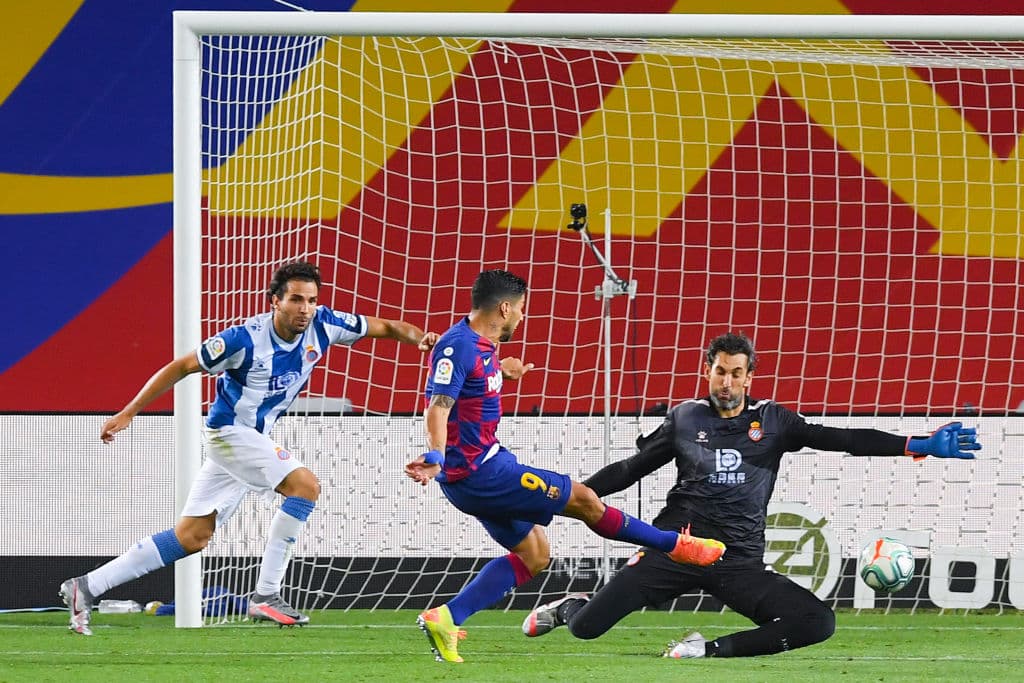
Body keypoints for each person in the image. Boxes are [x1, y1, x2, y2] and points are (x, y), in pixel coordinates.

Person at [522, 332, 981, 658]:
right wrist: (565, 497)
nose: (726, 382)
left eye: (736, 373)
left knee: (818, 623)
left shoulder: (776, 422)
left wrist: (918, 445)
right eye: (719, 371)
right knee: (586, 630)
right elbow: (628, 470)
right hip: (674, 548)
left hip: (737, 562)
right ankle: (571, 607)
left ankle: (706, 651)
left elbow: (843, 439)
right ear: (708, 371)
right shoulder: (684, 419)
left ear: (749, 377)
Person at [59, 261, 438, 635]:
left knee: (192, 536)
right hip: (228, 433)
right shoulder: (242, 339)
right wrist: (129, 412)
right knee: (305, 486)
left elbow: (387, 327)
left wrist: (420, 337)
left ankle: (86, 587)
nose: (304, 308)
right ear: (275, 300)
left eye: (311, 300)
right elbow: (180, 366)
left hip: (250, 440)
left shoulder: (325, 324)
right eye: (295, 299)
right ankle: (267, 595)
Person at [403, 269, 726, 664]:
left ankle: (448, 617)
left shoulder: (479, 347)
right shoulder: (459, 348)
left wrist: (505, 372)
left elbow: (472, 385)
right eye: (520, 309)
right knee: (585, 500)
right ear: (505, 308)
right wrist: (435, 456)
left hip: (477, 472)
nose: (522, 317)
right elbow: (438, 407)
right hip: (483, 474)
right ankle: (675, 546)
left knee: (534, 556)